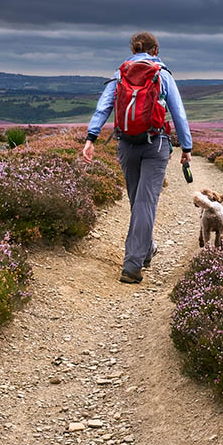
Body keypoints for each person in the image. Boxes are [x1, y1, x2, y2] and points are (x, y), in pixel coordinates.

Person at [81, 31, 192, 284]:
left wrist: (91, 139)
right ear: (155, 50)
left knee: (138, 201)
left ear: (133, 50)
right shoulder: (162, 74)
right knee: (145, 202)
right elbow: (178, 113)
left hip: (126, 144)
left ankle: (146, 249)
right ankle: (132, 266)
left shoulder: (120, 73)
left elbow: (104, 106)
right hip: (156, 145)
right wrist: (186, 148)